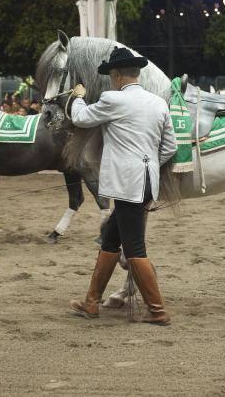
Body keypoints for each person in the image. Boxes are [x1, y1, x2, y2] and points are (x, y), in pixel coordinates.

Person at [68, 47, 177, 325]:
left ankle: (157, 310)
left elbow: (81, 118)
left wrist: (78, 98)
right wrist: (149, 162)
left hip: (128, 183)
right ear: (136, 74)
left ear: (116, 76)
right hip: (147, 180)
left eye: (111, 76)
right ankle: (91, 303)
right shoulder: (158, 103)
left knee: (135, 248)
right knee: (110, 238)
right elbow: (170, 147)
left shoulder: (112, 99)